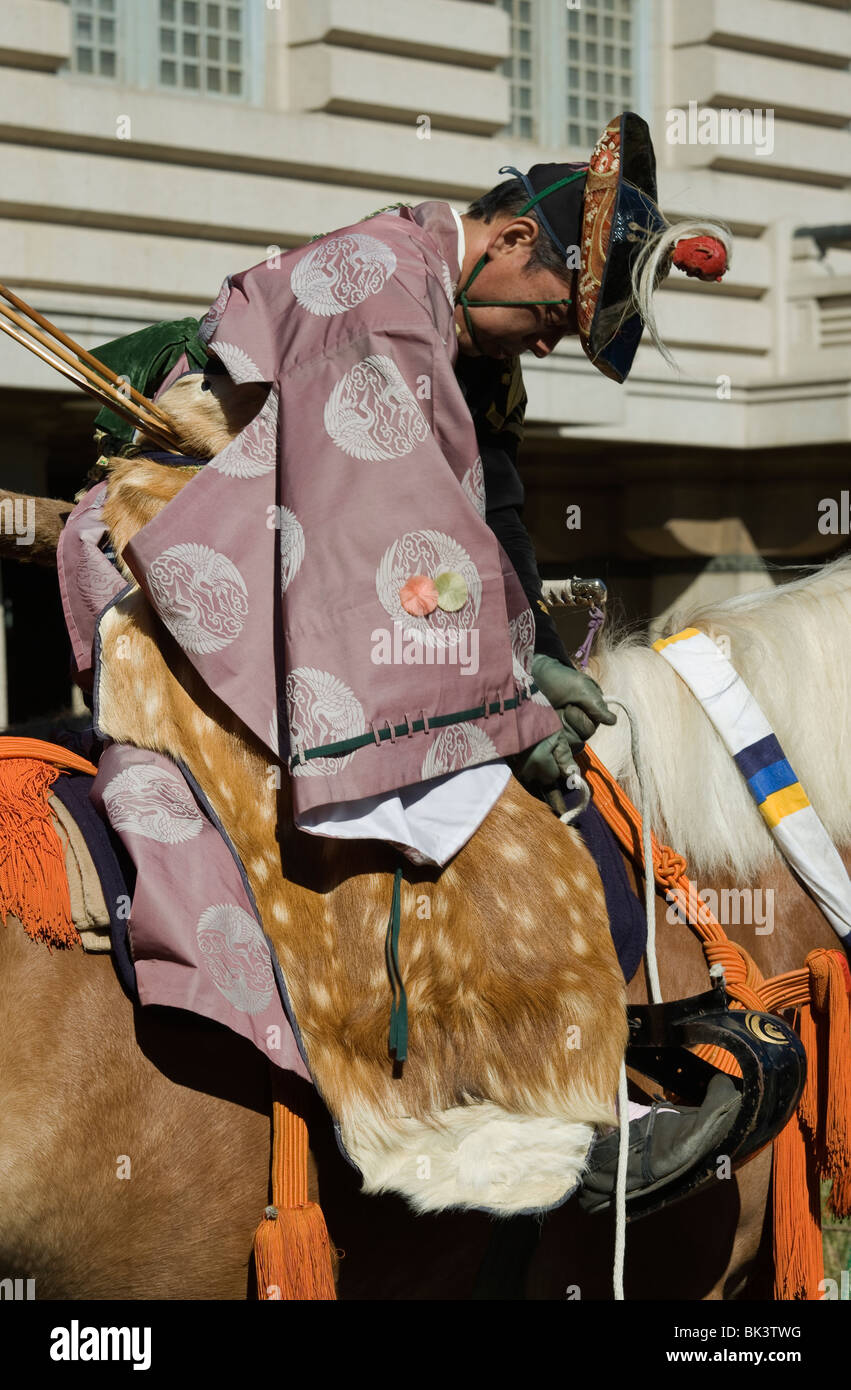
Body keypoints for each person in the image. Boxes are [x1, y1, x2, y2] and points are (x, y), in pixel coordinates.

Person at [84, 110, 738, 1208]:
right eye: (548, 318)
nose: (543, 343)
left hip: (314, 560)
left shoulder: (461, 320)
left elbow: (489, 509)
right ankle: (457, 1118)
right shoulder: (378, 290)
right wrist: (503, 705)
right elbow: (387, 526)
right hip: (203, 558)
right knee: (454, 819)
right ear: (513, 242)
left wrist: (529, 649)